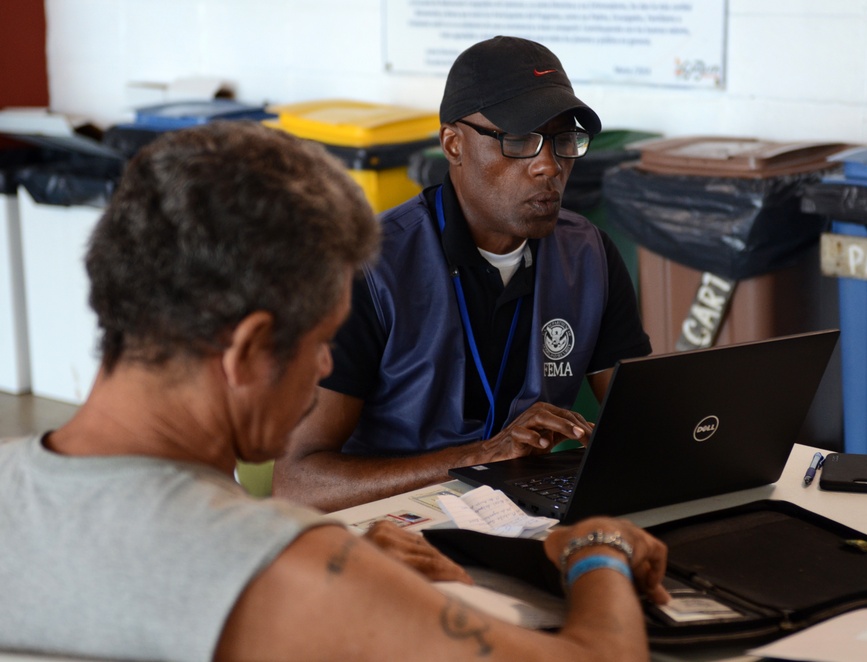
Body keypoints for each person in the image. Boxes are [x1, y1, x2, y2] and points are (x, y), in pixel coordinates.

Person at [0, 121, 669, 661]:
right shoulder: (285, 570)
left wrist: (349, 570)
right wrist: (597, 551)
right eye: (321, 341)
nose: (325, 368)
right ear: (248, 351)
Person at [273, 35, 651, 512]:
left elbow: (642, 427)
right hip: (393, 523)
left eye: (563, 140)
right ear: (453, 144)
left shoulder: (589, 254)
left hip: (522, 514)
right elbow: (296, 483)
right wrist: (477, 458)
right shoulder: (367, 266)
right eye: (519, 140)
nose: (549, 165)